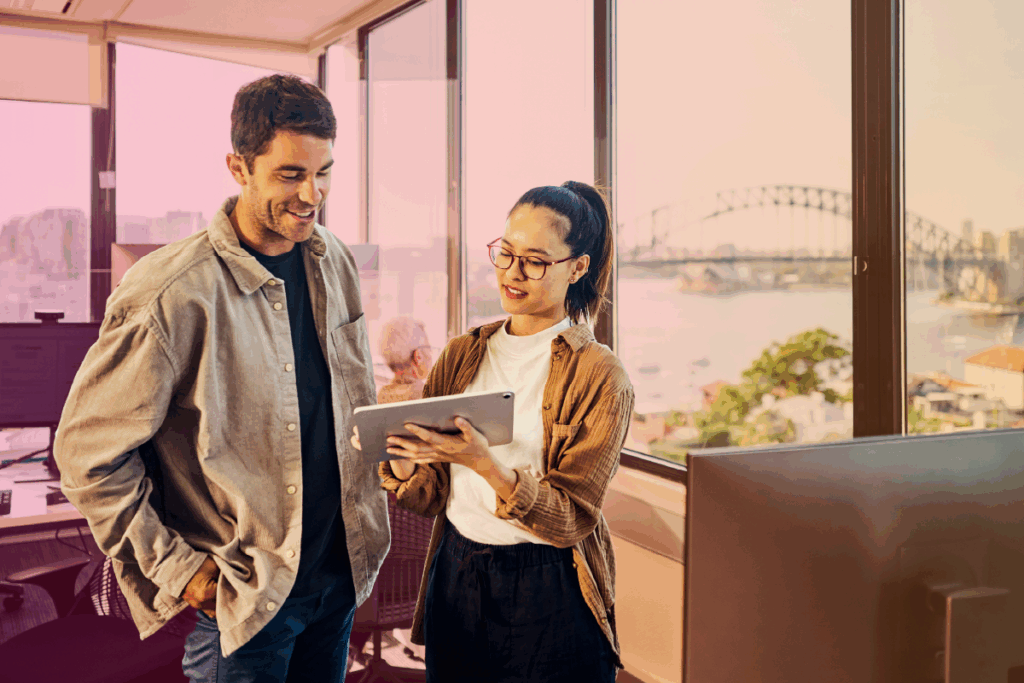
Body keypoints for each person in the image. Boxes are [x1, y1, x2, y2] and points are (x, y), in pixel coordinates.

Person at [53, 74, 389, 683]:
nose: (313, 194)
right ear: (238, 166)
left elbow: (342, 401)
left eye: (325, 172)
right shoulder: (169, 292)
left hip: (336, 581)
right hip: (244, 600)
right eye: (290, 174)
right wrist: (180, 571)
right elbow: (85, 456)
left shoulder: (334, 259)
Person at [353, 180, 634, 682]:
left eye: (535, 260)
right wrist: (396, 450)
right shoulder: (463, 354)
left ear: (578, 267)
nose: (512, 273)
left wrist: (483, 462)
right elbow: (429, 495)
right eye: (505, 254)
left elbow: (571, 519)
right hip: (456, 571)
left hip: (551, 585)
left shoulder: (600, 375)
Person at [377, 316, 433, 403]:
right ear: (418, 356)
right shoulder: (426, 396)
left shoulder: (381, 395)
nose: (430, 355)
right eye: (429, 348)